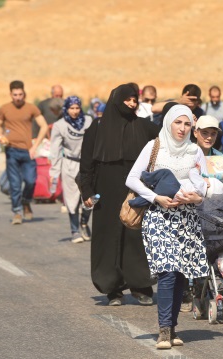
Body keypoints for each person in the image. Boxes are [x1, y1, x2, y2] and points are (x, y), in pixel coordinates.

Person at [126, 104, 209, 350]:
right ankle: (163, 331)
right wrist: (155, 198)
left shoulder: (195, 151)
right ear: (168, 123)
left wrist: (197, 197)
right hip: (158, 216)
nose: (182, 128)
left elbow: (204, 185)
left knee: (181, 273)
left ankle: (172, 328)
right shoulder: (154, 147)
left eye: (187, 124)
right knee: (167, 270)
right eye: (178, 123)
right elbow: (131, 178)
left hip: (186, 218)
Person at [79, 83, 159, 307]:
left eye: (135, 100)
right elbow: (87, 164)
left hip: (135, 189)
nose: (132, 104)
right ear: (117, 100)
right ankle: (112, 289)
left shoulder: (143, 127)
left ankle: (141, 286)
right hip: (106, 190)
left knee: (136, 236)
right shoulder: (98, 127)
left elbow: (167, 139)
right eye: (128, 100)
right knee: (108, 237)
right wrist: (87, 191)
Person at [0, 80, 49, 225]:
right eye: (15, 95)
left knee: (31, 181)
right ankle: (17, 212)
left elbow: (44, 126)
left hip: (28, 151)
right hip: (11, 150)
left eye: (20, 94)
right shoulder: (4, 108)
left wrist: (35, 146)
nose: (18, 97)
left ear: (24, 93)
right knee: (14, 183)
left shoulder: (31, 108)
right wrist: (0, 136)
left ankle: (26, 201)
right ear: (10, 94)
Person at [49, 96, 93, 243]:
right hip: (69, 165)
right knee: (72, 198)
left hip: (88, 165)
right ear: (66, 109)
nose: (74, 111)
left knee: (92, 197)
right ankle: (75, 230)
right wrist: (54, 172)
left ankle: (84, 222)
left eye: (77, 108)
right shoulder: (60, 125)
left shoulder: (88, 121)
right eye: (71, 108)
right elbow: (55, 149)